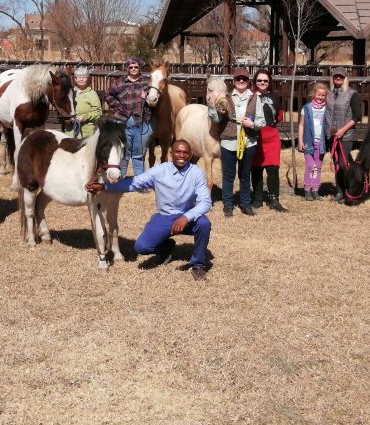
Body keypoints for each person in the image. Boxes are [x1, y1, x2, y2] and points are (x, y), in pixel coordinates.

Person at [87, 139, 212, 281]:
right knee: (141, 247)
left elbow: (206, 202)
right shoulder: (160, 171)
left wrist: (186, 217)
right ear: (171, 153)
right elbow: (134, 183)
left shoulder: (196, 173)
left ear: (190, 155)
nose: (181, 155)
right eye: (178, 152)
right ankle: (166, 247)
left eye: (185, 153)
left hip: (188, 217)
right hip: (165, 217)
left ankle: (198, 265)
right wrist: (104, 187)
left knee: (204, 224)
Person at [209, 68, 265, 217]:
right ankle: (228, 205)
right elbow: (216, 119)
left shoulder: (255, 98)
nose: (241, 81)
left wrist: (252, 125)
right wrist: (213, 107)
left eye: (244, 79)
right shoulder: (226, 98)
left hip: (248, 142)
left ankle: (245, 204)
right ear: (233, 82)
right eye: (238, 79)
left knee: (245, 175)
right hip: (229, 141)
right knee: (228, 175)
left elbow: (262, 121)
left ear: (248, 82)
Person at [105, 56, 153, 177]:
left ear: (140, 67)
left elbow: (155, 97)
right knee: (124, 152)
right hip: (121, 122)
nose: (133, 69)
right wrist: (117, 106)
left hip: (140, 122)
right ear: (127, 68)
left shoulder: (146, 82)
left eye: (136, 67)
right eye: (130, 67)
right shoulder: (120, 82)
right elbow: (108, 94)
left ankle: (140, 181)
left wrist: (147, 96)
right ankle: (121, 179)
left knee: (139, 153)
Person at [250, 69, 287, 212]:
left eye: (265, 80)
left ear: (269, 82)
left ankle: (274, 199)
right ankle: (258, 199)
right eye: (259, 80)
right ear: (255, 82)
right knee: (256, 169)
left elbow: (279, 116)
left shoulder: (274, 97)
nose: (262, 83)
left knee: (273, 169)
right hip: (255, 137)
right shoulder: (250, 96)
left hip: (271, 138)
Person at [326, 67, 363, 202]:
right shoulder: (329, 94)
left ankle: (349, 189)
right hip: (332, 135)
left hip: (346, 135)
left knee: (343, 164)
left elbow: (357, 116)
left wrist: (343, 130)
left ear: (345, 78)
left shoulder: (352, 94)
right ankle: (339, 192)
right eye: (336, 76)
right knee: (337, 164)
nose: (338, 78)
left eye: (341, 77)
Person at [298, 81, 329, 201]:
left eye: (323, 95)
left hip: (321, 142)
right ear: (313, 94)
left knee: (318, 167)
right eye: (318, 95)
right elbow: (301, 125)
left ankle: (315, 190)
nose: (320, 97)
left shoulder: (327, 109)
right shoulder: (306, 108)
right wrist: (300, 141)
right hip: (309, 141)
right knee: (310, 166)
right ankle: (307, 189)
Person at [67, 64, 102, 138]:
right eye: (79, 77)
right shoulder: (70, 93)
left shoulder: (92, 93)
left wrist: (85, 117)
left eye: (84, 77)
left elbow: (98, 113)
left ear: (87, 78)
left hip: (86, 132)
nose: (81, 79)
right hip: (70, 131)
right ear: (75, 79)